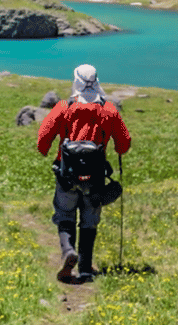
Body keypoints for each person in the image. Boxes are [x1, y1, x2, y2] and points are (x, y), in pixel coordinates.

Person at [37, 64, 131, 283]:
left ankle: (68, 250)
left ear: (76, 81)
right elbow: (123, 145)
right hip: (95, 177)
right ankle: (86, 269)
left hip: (66, 174)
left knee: (65, 214)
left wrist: (46, 151)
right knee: (90, 220)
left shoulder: (64, 107)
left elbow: (43, 139)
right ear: (97, 81)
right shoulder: (109, 110)